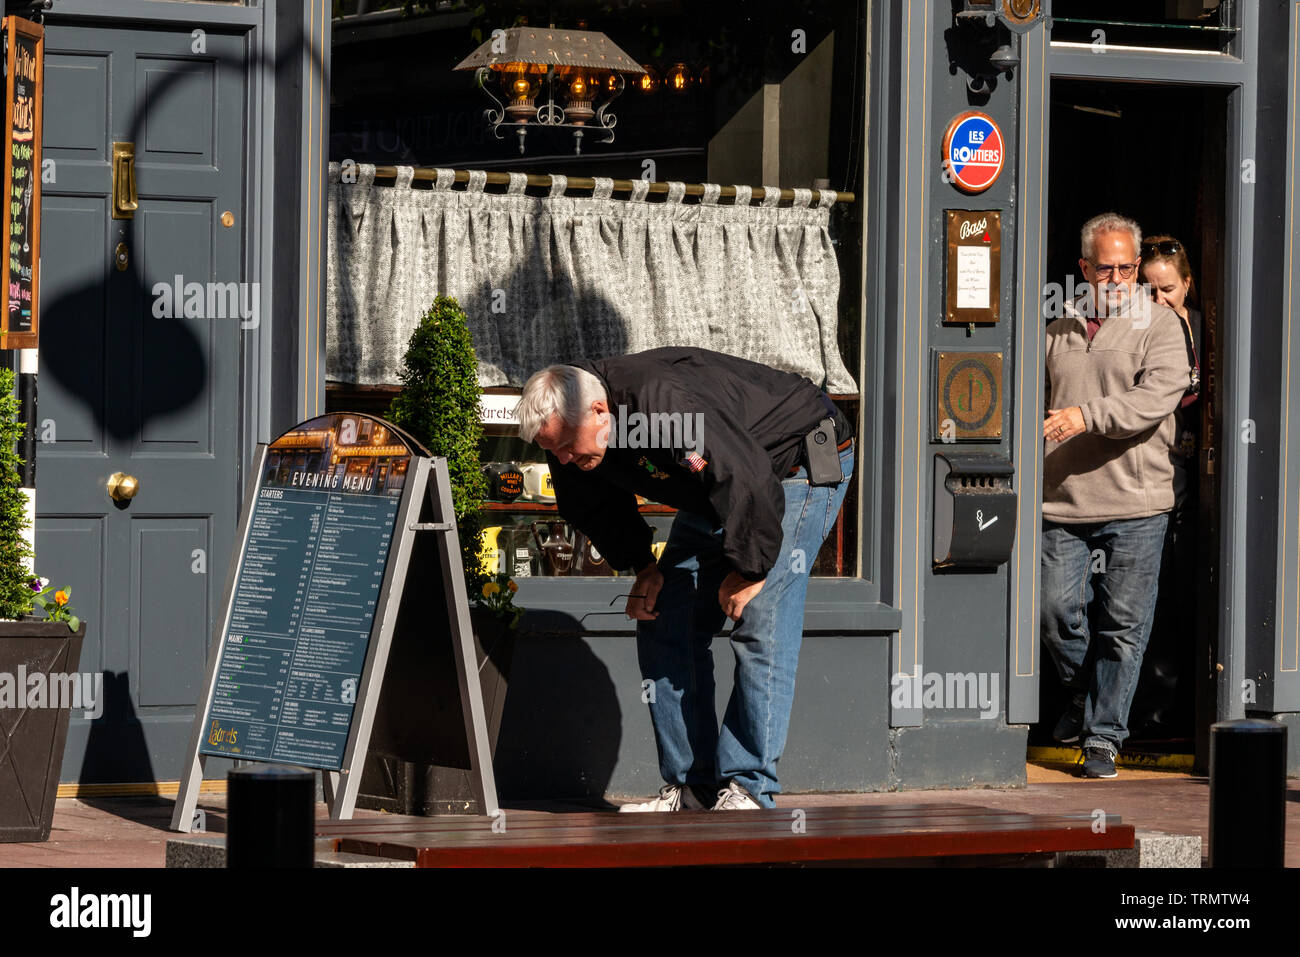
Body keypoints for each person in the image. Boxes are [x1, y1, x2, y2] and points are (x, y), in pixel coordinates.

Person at [515, 347, 854, 811]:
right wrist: (645, 566)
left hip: (794, 463)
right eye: (552, 451)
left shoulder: (661, 403)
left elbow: (744, 472)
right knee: (664, 614)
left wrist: (750, 567)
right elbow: (591, 503)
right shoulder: (571, 435)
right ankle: (693, 789)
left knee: (759, 619)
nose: (564, 460)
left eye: (567, 446)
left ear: (599, 410)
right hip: (715, 486)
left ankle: (749, 790)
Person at [1041, 212, 1192, 779]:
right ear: (1083, 268)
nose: (1120, 278)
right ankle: (1086, 694)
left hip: (1137, 503)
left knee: (1124, 627)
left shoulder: (1160, 325)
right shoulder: (1056, 324)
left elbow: (1153, 400)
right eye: (1106, 268)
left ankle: (1104, 737)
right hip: (1060, 501)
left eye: (1128, 267)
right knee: (1054, 615)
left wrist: (1085, 416)